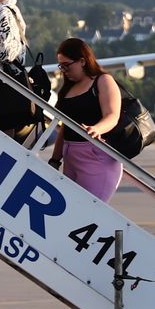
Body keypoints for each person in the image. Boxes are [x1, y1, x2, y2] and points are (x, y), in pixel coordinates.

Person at [48, 38, 122, 202]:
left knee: (91, 212)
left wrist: (97, 129)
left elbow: (112, 116)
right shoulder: (67, 89)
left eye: (67, 65)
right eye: (61, 66)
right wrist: (55, 159)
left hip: (95, 157)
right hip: (70, 157)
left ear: (82, 61)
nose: (64, 70)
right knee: (72, 212)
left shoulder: (102, 81)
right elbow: (64, 128)